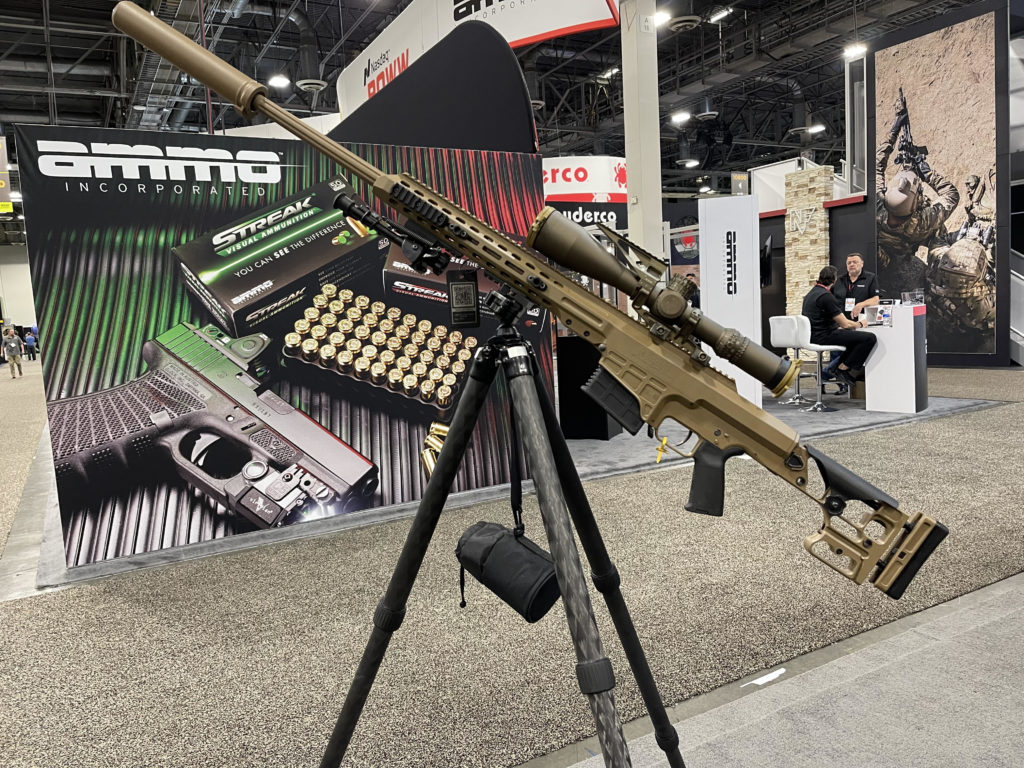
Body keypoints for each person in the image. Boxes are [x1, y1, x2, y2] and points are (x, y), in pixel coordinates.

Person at [875, 94, 959, 300]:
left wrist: (894, 130)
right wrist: (926, 173)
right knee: (940, 238)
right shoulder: (921, 222)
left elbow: (876, 167)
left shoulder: (878, 206)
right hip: (903, 267)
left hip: (882, 261)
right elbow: (951, 194)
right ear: (914, 208)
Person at [802, 265, 877, 388]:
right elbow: (845, 324)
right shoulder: (826, 296)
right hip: (823, 336)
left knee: (854, 340)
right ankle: (841, 369)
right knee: (869, 338)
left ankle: (836, 369)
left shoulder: (811, 294)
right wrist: (860, 324)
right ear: (835, 280)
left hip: (813, 335)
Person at [824, 253, 880, 379]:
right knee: (837, 353)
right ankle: (838, 381)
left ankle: (825, 374)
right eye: (849, 263)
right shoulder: (839, 280)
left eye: (855, 262)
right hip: (839, 325)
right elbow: (828, 299)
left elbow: (876, 299)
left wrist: (861, 304)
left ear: (862, 264)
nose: (851, 265)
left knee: (853, 352)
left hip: (860, 325)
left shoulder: (870, 278)